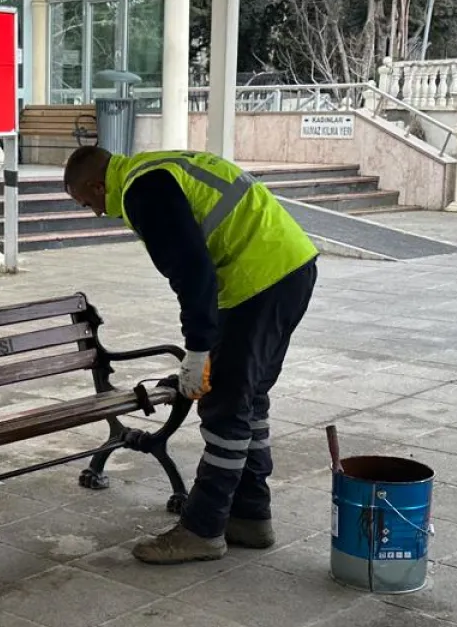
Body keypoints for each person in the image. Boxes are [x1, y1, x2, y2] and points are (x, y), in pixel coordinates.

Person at [63, 145, 318, 565]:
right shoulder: (154, 169)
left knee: (224, 407)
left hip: (261, 278)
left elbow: (193, 273)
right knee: (247, 399)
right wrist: (206, 348)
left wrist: (198, 352)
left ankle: (202, 530)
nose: (93, 212)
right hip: (287, 267)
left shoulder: (142, 190)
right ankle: (250, 516)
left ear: (96, 184)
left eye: (87, 202)